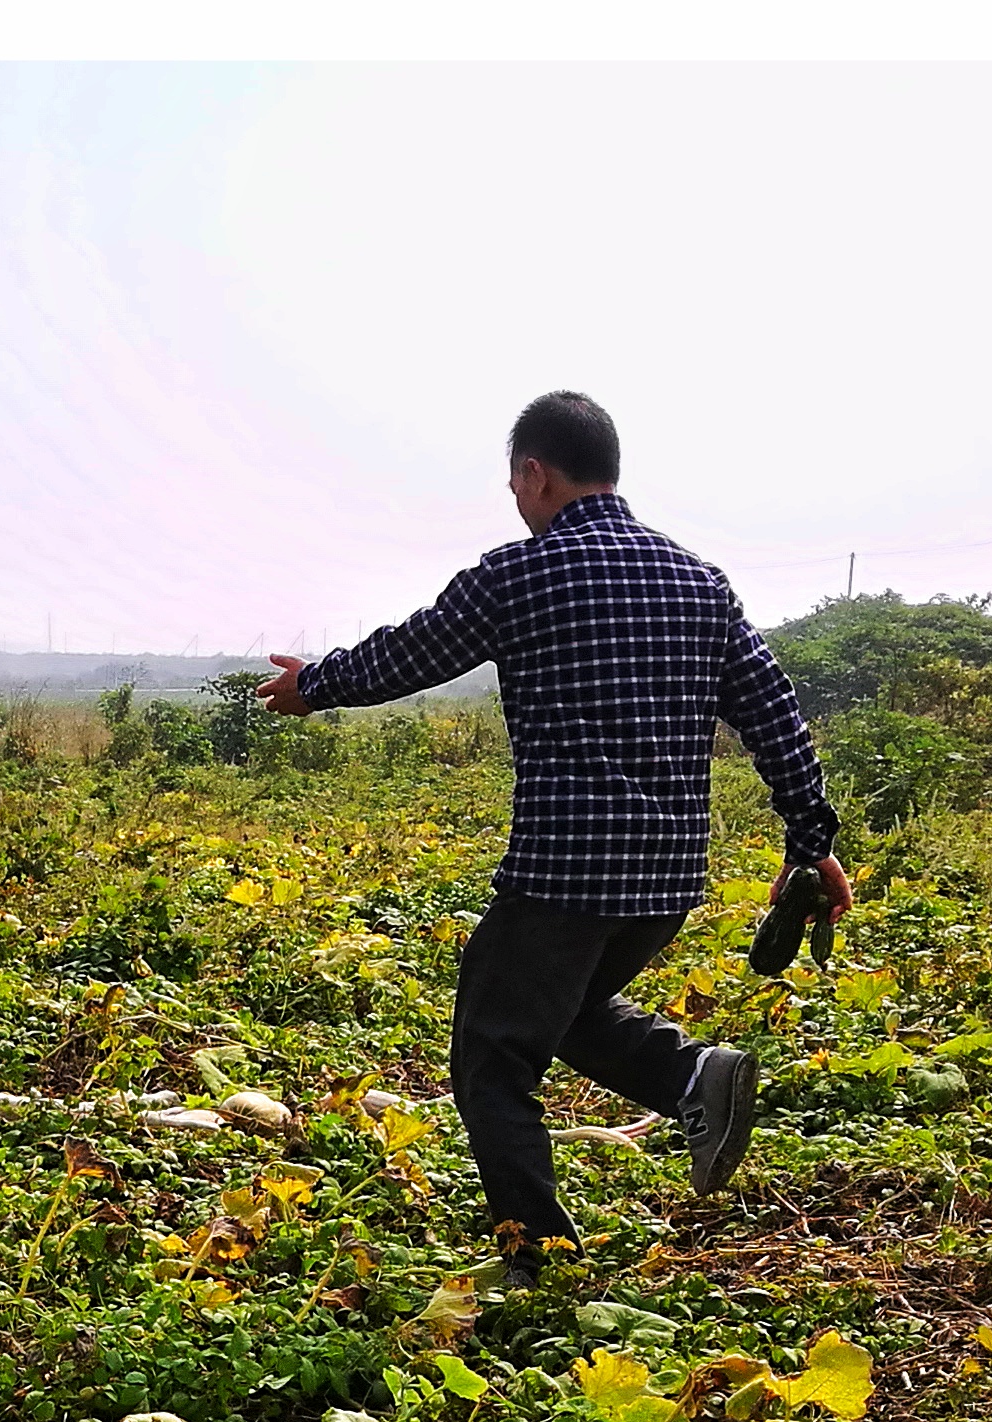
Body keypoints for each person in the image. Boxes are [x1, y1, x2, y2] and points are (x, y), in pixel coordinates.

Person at [259, 390, 845, 1254]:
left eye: (514, 483)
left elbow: (410, 653)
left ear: (535, 473)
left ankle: (538, 1251)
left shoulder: (517, 575)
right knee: (563, 1009)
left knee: (493, 1054)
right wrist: (811, 843)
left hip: (563, 877)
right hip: (666, 880)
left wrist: (315, 684)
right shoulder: (700, 583)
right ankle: (694, 1075)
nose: (516, 501)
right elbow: (773, 714)